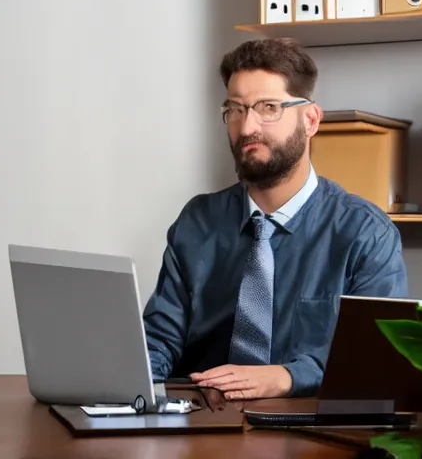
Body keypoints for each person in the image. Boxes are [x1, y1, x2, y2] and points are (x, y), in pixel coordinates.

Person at [143, 37, 408, 400]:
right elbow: (160, 338)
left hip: (307, 429)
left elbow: (376, 358)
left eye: (268, 107)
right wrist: (127, 385)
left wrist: (287, 376)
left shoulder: (365, 233)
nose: (248, 126)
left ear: (310, 119)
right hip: (201, 419)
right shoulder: (198, 221)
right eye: (235, 109)